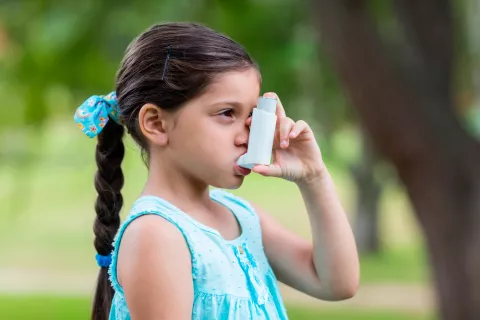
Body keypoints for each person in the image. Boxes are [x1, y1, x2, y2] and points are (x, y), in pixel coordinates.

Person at [74, 22, 359, 320]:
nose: (246, 135)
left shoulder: (240, 216)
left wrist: (313, 176)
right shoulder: (156, 236)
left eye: (251, 115)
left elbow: (337, 283)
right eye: (226, 114)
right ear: (157, 124)